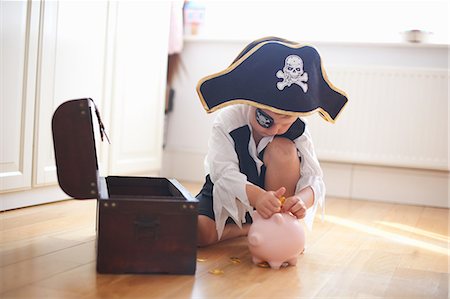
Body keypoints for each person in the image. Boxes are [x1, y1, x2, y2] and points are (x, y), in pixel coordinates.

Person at [195, 37, 348, 246]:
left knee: (284, 148)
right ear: (251, 102)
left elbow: (314, 177)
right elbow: (223, 173)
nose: (276, 129)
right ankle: (248, 228)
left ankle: (277, 222)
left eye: (286, 122)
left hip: (274, 199)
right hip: (230, 194)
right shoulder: (229, 122)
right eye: (266, 119)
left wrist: (301, 200)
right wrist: (257, 197)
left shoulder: (298, 130)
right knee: (197, 231)